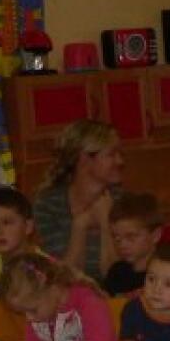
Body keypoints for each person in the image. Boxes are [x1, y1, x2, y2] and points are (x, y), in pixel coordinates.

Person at [33, 119, 124, 279]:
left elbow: (121, 276)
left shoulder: (124, 202)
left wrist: (105, 221)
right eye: (111, 154)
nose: (120, 161)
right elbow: (62, 277)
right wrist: (79, 226)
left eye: (119, 154)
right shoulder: (49, 205)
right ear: (84, 159)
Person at [103, 192, 162, 297]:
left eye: (131, 237)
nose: (122, 245)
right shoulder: (116, 272)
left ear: (155, 235)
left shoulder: (167, 272)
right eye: (116, 238)